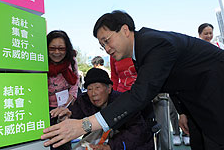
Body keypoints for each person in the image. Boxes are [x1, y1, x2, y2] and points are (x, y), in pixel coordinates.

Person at [41, 10, 224, 150]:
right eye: (102, 45)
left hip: (215, 94)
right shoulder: (140, 52)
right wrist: (183, 112)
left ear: (125, 30)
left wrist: (85, 125)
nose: (106, 49)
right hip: (195, 102)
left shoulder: (155, 44)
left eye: (107, 40)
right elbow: (175, 81)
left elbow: (139, 95)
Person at [51, 68, 154, 150]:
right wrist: (64, 118)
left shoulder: (122, 102)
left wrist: (111, 147)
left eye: (97, 87)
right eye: (90, 89)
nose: (93, 93)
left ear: (109, 88)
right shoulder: (84, 100)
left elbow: (137, 131)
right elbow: (72, 116)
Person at [47, 30, 79, 150]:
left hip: (66, 107)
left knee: (64, 141)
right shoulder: (40, 62)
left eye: (61, 49)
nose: (57, 52)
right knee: (48, 140)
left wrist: (71, 99)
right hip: (46, 109)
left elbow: (76, 81)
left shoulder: (71, 61)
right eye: (52, 48)